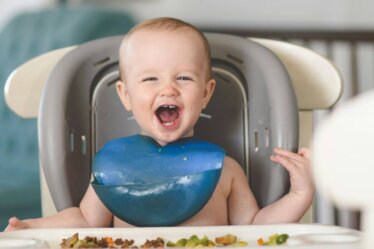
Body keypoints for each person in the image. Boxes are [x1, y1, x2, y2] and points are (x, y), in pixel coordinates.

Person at [5, 17, 314, 231]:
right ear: (125, 95)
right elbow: (86, 220)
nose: (168, 89)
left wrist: (299, 196)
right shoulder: (114, 168)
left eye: (183, 78)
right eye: (151, 79)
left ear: (206, 94)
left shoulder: (226, 170)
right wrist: (32, 225)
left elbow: (254, 227)